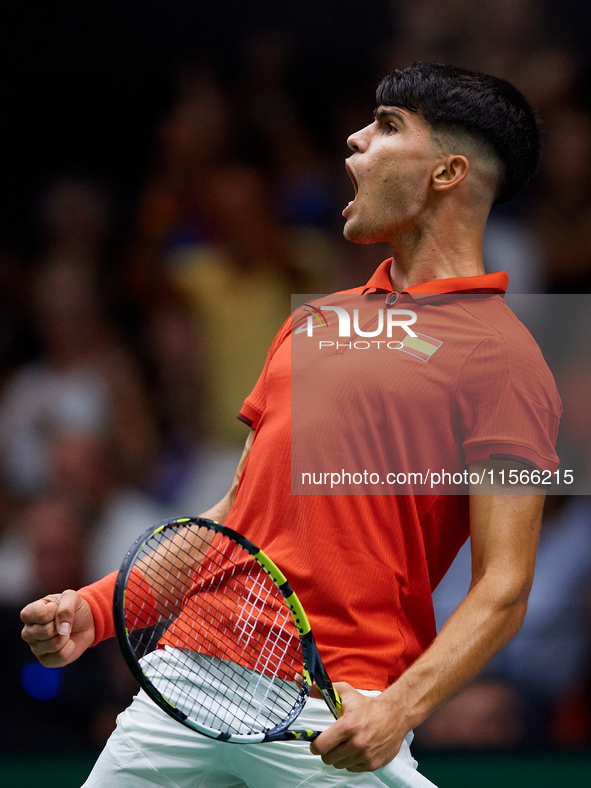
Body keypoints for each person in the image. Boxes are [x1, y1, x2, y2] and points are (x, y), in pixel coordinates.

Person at [21, 63, 562, 787]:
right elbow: (232, 516)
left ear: (447, 172)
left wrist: (398, 709)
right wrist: (95, 609)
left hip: (330, 707)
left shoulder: (508, 359)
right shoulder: (316, 319)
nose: (353, 140)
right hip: (187, 679)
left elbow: (504, 587)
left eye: (387, 126)